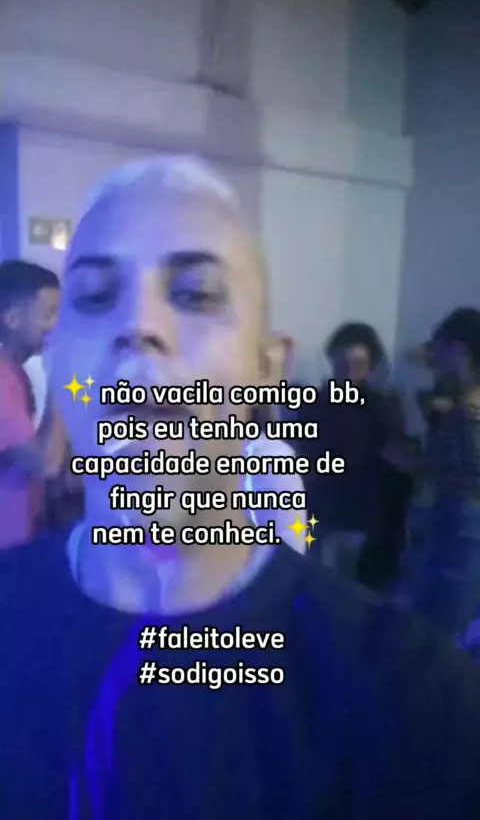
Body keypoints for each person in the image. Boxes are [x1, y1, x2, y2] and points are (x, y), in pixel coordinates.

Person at [1, 158, 480, 820]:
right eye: (94, 296)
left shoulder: (412, 698)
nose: (137, 325)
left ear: (265, 368)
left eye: (196, 293)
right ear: (60, 362)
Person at [306, 323, 408, 583]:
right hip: (320, 509)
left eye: (358, 364)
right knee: (316, 582)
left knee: (347, 585)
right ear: (333, 360)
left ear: (370, 365)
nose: (350, 372)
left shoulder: (381, 407)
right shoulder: (315, 403)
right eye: (343, 363)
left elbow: (395, 459)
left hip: (359, 514)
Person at [408, 308, 480, 635]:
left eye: (441, 346)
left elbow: (471, 470)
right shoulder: (458, 397)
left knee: (447, 620)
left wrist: (418, 462)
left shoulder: (471, 408)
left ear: (459, 348)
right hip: (454, 513)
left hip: (465, 516)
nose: (433, 354)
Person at [0, 260, 59, 547]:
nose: (56, 325)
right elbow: (45, 464)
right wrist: (65, 383)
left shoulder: (16, 373)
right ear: (12, 319)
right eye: (48, 314)